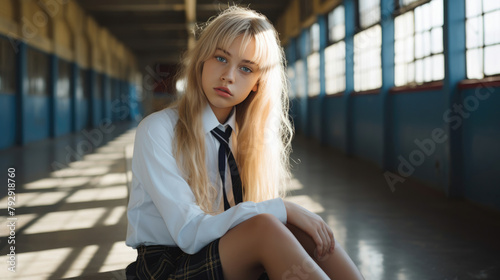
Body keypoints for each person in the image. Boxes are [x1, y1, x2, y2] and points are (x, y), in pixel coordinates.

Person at [125, 6, 364, 280]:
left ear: (256, 84)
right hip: (166, 264)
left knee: (303, 230)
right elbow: (188, 233)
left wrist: (283, 215)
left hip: (225, 248)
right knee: (268, 223)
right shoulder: (157, 130)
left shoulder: (251, 134)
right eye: (220, 58)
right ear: (203, 60)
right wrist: (283, 207)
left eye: (246, 68)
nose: (229, 76)